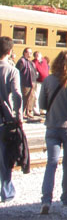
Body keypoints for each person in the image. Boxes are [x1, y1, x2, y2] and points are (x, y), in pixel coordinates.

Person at [38, 50, 67, 215]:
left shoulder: (48, 80)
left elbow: (42, 104)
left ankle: (46, 200)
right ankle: (66, 197)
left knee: (51, 163)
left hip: (51, 127)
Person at [0, 37, 23, 203]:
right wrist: (19, 116)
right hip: (5, 120)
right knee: (6, 157)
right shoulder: (12, 71)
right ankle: (6, 191)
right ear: (9, 52)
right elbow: (17, 95)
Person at [15, 48, 39, 122]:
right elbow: (17, 72)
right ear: (25, 53)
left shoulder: (30, 62)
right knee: (25, 98)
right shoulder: (21, 61)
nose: (31, 54)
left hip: (32, 82)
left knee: (31, 98)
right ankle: (22, 113)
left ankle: (28, 112)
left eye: (31, 53)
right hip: (25, 83)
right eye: (29, 52)